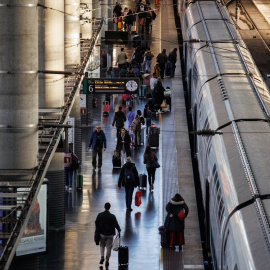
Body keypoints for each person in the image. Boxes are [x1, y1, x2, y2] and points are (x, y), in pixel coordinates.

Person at [95, 202, 121, 269]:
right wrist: (119, 229)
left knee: (102, 245)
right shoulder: (112, 216)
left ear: (104, 207)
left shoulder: (100, 215)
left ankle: (102, 256)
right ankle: (107, 260)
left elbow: (96, 222)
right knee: (109, 248)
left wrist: (98, 229)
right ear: (109, 208)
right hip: (110, 234)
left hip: (102, 234)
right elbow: (116, 224)